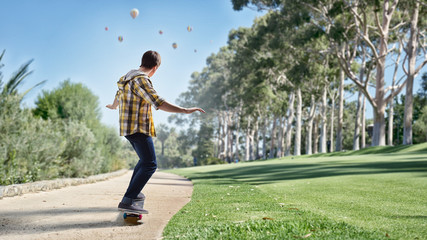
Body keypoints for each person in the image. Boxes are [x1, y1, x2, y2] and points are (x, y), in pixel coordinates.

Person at [106, 50, 205, 213]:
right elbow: (158, 102)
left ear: (142, 62)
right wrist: (185, 110)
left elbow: (118, 94)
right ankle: (128, 199)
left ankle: (134, 195)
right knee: (150, 164)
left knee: (143, 161)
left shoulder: (126, 78)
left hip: (127, 128)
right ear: (155, 68)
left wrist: (114, 105)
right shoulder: (142, 79)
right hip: (138, 127)